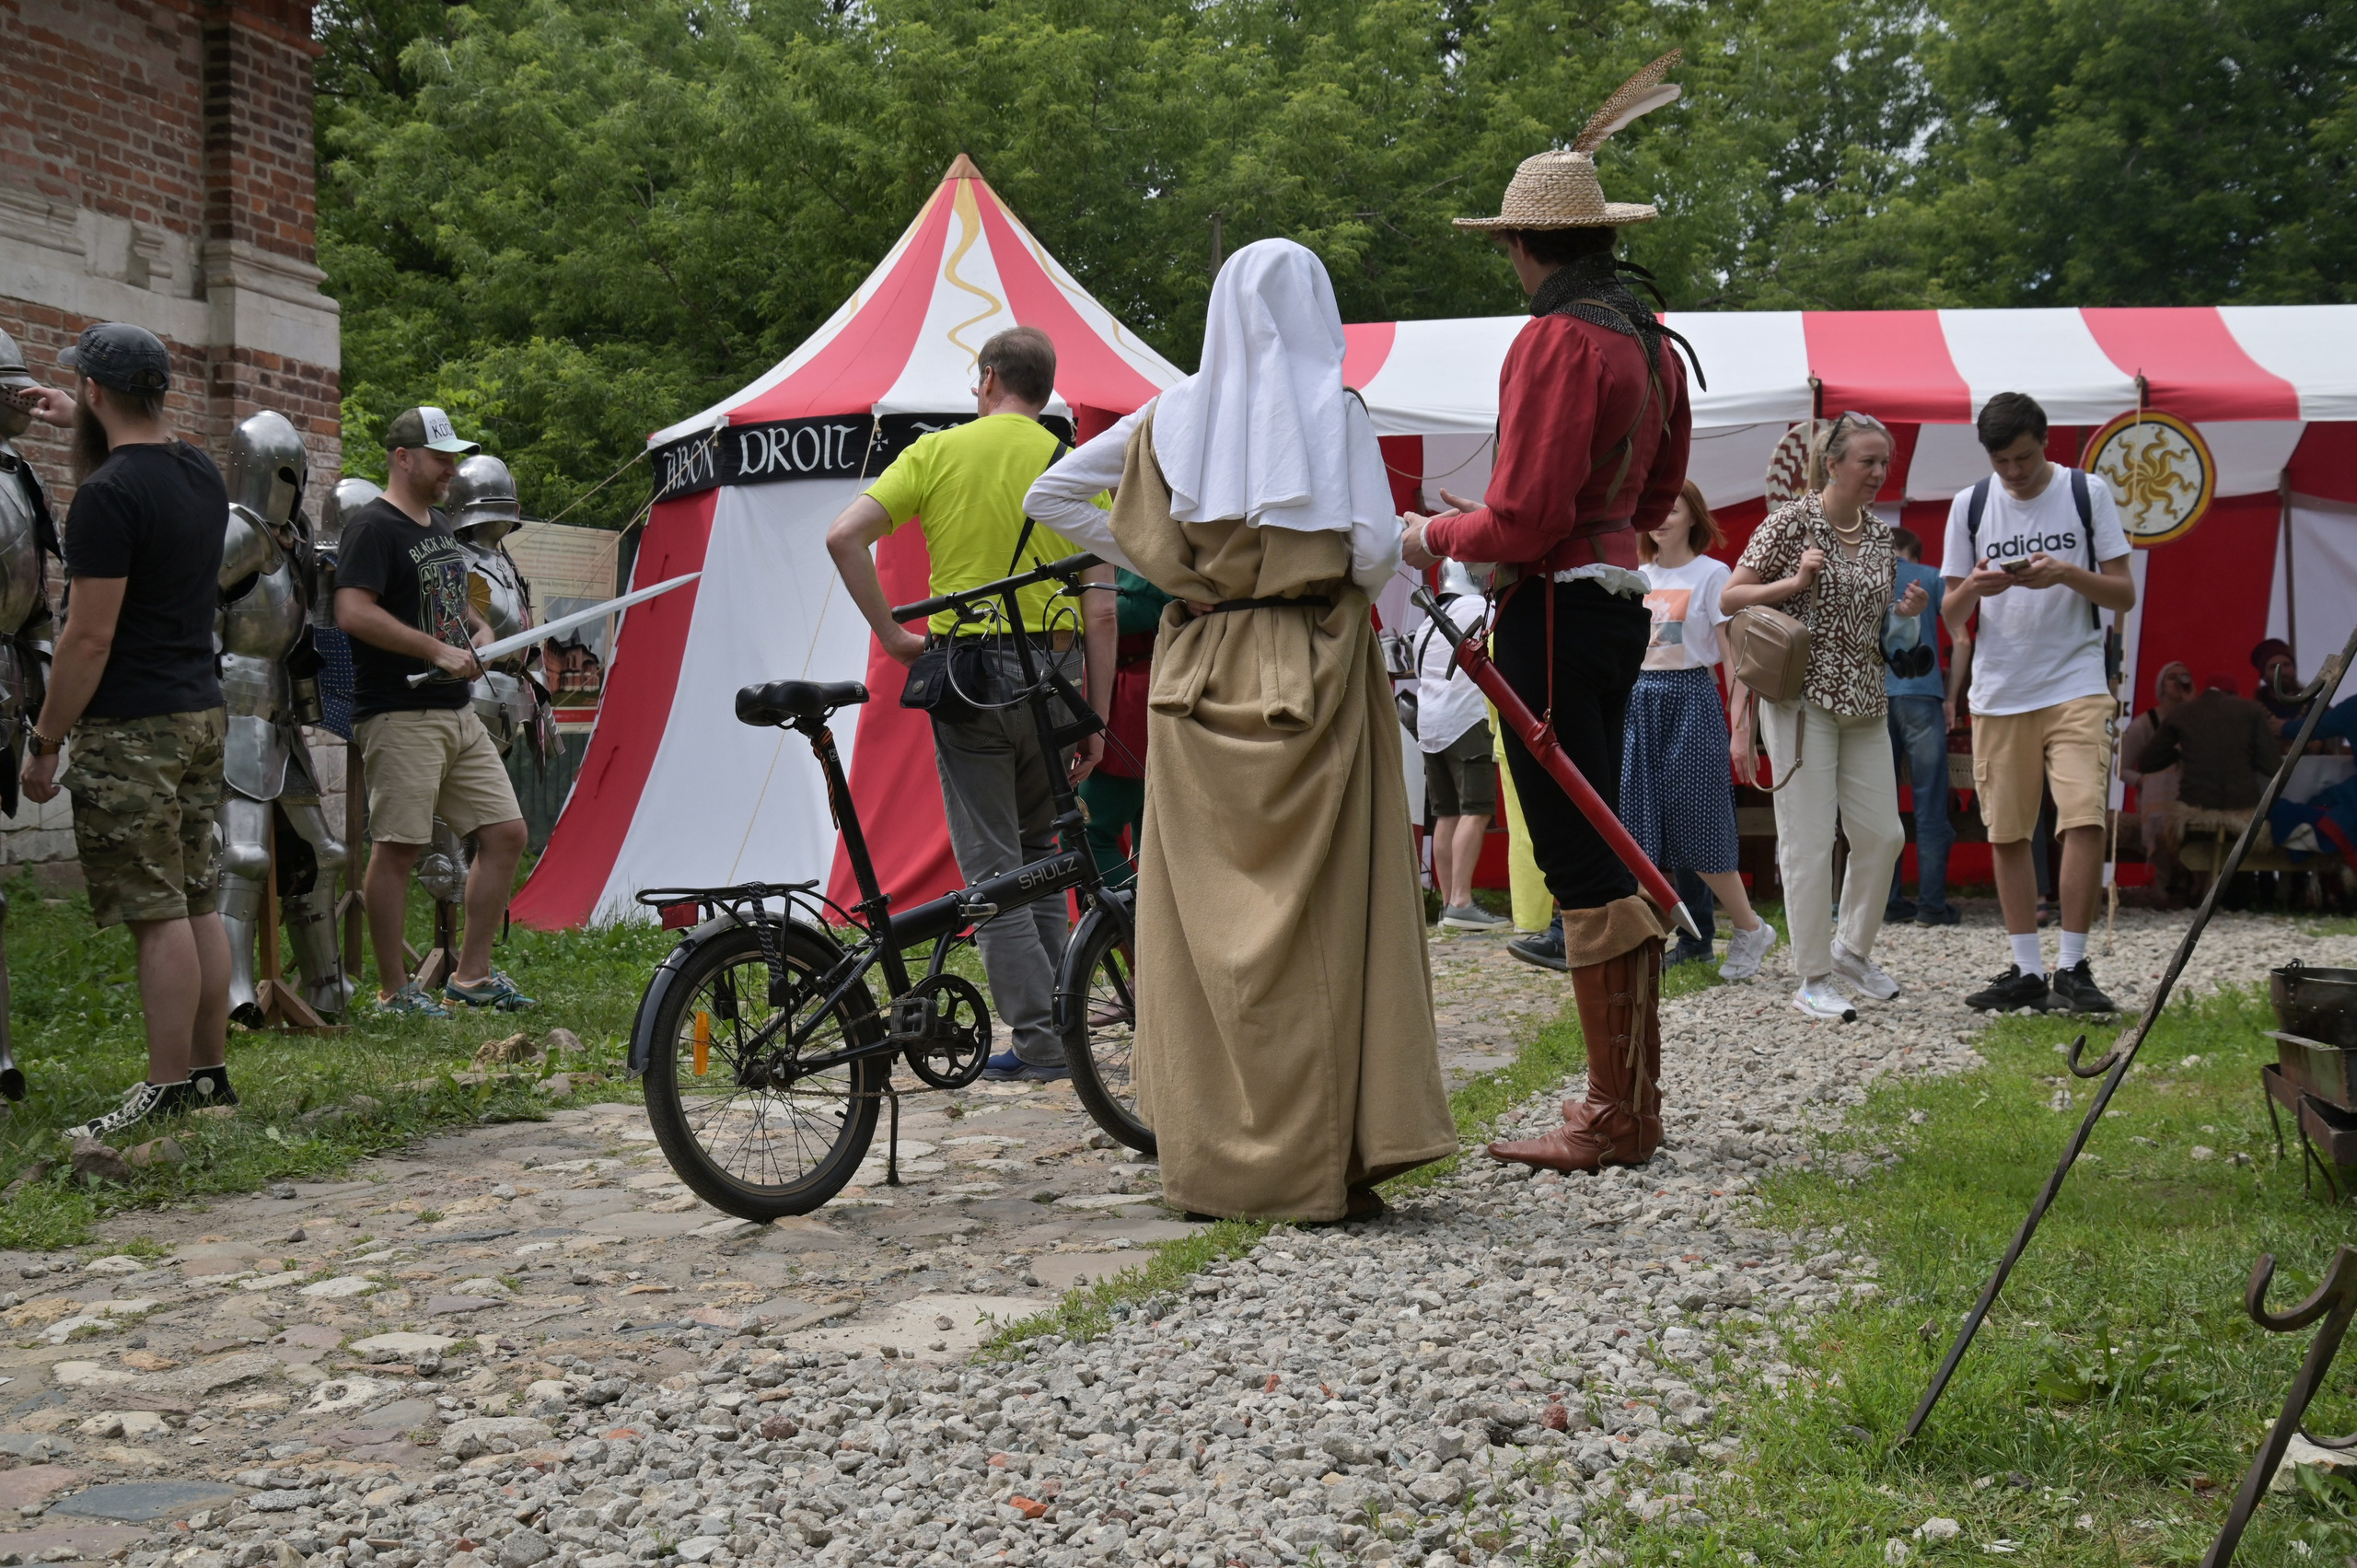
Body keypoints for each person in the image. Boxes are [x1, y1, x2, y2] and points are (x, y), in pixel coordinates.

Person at [1025, 238, 1455, 1222]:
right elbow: (1374, 553)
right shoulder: (1335, 412)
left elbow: (1049, 496)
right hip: (1309, 662)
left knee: (1202, 931)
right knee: (1326, 922)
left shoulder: (1168, 414)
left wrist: (1174, 569)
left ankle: (1214, 1162)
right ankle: (1320, 1164)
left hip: (1201, 669)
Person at [1401, 50, 1695, 1174]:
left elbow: (1522, 521)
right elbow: (1653, 497)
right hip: (1610, 602)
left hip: (1558, 612)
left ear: (1526, 246)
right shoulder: (1649, 336)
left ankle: (1616, 1114)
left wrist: (1431, 536)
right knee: (1599, 840)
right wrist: (1517, 525)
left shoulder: (1558, 338)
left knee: (1578, 854)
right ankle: (1631, 1105)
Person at [826, 326, 1116, 1083]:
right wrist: (1096, 714)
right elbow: (1103, 609)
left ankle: (1040, 1040)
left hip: (971, 674)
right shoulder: (1075, 465)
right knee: (1043, 855)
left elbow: (844, 537)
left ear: (988, 379)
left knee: (993, 868)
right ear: (1045, 391)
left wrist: (893, 636)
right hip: (1056, 673)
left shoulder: (937, 453)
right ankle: (1065, 1026)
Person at [17, 323, 232, 1140]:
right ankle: (207, 1075)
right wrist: (67, 407)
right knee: (198, 895)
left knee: (155, 909)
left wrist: (46, 741)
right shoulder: (198, 470)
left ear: (95, 391)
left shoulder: (106, 496)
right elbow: (141, 481)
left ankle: (165, 1086)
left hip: (133, 727)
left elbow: (89, 637)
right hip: (200, 709)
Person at [1724, 412, 1925, 1022]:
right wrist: (1793, 581)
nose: (1879, 472)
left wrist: (1906, 615)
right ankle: (1811, 977)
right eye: (1868, 461)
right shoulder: (1790, 522)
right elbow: (1731, 597)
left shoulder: (1883, 537)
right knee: (1809, 841)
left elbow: (1879, 629)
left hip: (1865, 699)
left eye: (1884, 462)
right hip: (1800, 700)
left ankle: (1850, 951)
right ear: (1832, 463)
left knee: (1884, 835)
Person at [334, 407, 535, 1017]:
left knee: (505, 833)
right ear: (403, 458)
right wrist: (436, 650)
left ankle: (471, 976)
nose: (451, 469)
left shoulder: (439, 524)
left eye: (453, 458)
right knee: (399, 848)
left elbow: (447, 599)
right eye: (440, 458)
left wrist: (476, 628)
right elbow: (352, 611)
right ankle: (395, 991)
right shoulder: (372, 528)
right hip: (399, 712)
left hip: (454, 712)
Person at [1941, 392, 2136, 1016]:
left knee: (2083, 818)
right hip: (2000, 690)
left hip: (2077, 680)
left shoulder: (2086, 491)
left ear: (2045, 442)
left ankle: (2072, 965)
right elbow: (1952, 615)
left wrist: (2066, 573)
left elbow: (2124, 594)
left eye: (2023, 458)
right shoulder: (1970, 504)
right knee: (2007, 830)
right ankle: (2027, 968)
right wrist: (1976, 586)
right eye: (2001, 462)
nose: (2014, 472)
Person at [214, 410, 352, 1027]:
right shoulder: (235, 531)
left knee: (324, 853)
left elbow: (298, 640)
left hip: (280, 720)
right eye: (283, 472)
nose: (291, 487)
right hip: (234, 713)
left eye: (298, 474)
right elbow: (196, 613)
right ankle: (232, 991)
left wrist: (307, 704)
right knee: (243, 855)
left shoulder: (290, 543)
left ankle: (325, 985)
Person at [1624, 480, 1776, 978]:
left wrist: (1741, 729)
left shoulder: (1713, 574)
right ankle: (1657, 941)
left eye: (1672, 508)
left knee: (1701, 825)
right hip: (1638, 700)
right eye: (1654, 510)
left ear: (1694, 514)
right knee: (1637, 828)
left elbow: (1733, 658)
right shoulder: (1636, 575)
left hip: (1692, 696)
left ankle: (1749, 928)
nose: (1662, 519)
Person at [0, 330, 63, 1103]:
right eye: (7, 382)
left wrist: (44, 698)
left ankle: (2, 1053)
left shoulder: (20, 474)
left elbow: (36, 602)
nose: (20, 394)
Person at [1412, 563, 1509, 931]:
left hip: (1430, 727)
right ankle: (1461, 901)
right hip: (1467, 721)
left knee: (1447, 815)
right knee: (1476, 811)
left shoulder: (1427, 622)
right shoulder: (1482, 608)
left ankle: (1449, 904)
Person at [1079, 565, 1171, 894]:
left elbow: (1143, 608)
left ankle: (1138, 924)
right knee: (1152, 837)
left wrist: (1063, 606)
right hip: (1135, 685)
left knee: (1089, 834)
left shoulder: (1139, 535)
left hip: (1136, 691)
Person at [1884, 527, 1957, 925]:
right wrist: (1951, 697)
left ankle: (1886, 901)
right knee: (1930, 804)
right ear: (1915, 550)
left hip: (1876, 700)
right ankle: (1931, 905)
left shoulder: (1872, 575)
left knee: (1881, 807)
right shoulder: (1931, 577)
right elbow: (1963, 639)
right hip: (1924, 696)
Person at [2138, 673, 2282, 814]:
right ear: (2237, 694)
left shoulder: (2181, 712)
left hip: (2194, 809)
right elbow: (2272, 767)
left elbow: (2147, 762)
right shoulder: (2251, 710)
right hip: (2241, 809)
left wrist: (2179, 752)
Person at [2120, 661, 2193, 899]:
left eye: (2185, 676)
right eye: (2173, 677)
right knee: (2162, 835)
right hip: (2156, 801)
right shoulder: (2145, 724)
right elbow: (2121, 768)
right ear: (2161, 686)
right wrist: (2145, 782)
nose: (2179, 681)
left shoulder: (2198, 719)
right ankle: (2166, 891)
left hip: (2190, 796)